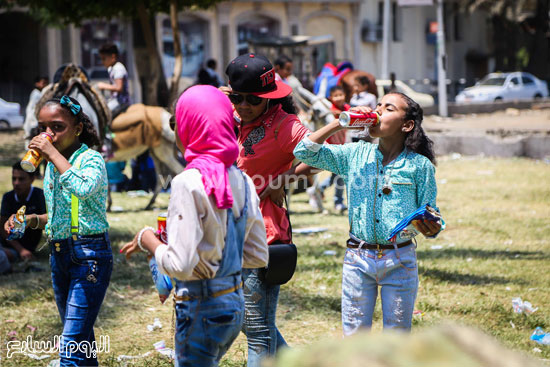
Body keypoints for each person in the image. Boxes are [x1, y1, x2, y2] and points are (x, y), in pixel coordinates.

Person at [121, 85, 268, 366]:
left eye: (178, 122)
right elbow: (258, 255)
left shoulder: (187, 182)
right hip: (234, 307)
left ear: (191, 126)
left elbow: (181, 265)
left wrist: (148, 240)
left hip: (201, 307)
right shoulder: (243, 180)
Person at [294, 92, 444, 335]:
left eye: (389, 108)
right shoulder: (354, 154)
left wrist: (432, 226)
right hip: (357, 259)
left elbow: (430, 211)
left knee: (396, 338)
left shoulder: (420, 166)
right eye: (378, 105)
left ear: (407, 125)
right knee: (354, 338)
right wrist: (340, 122)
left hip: (400, 260)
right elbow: (304, 152)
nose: (378, 111)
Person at [223, 53, 314, 366]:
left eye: (252, 99)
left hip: (264, 234)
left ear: (268, 97)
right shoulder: (231, 119)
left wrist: (284, 180)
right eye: (237, 97)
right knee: (248, 321)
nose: (244, 105)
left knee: (255, 326)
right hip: (228, 232)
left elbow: (317, 156)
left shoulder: (284, 125)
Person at [5, 96, 111, 365]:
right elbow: (57, 216)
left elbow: (84, 188)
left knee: (70, 347)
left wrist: (50, 152)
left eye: (57, 127)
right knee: (81, 341)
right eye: (43, 127)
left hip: (89, 257)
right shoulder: (53, 166)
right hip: (60, 255)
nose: (48, 134)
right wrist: (31, 220)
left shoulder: (92, 159)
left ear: (77, 128)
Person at [0, 162, 47, 269]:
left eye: (21, 179)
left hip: (18, 249)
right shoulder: (8, 197)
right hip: (8, 244)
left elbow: (48, 220)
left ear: (32, 179)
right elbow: (2, 227)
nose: (16, 183)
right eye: (14, 178)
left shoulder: (40, 196)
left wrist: (22, 250)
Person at [319, 86, 350, 214]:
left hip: (342, 147)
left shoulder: (347, 108)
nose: (338, 98)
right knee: (340, 175)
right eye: (335, 96)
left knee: (336, 176)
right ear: (331, 98)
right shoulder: (329, 110)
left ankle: (318, 189)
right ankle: (338, 202)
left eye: (340, 95)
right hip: (332, 148)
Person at [97, 43, 131, 116]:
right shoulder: (111, 69)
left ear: (113, 57)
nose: (102, 62)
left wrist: (103, 86)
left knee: (104, 114)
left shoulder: (118, 68)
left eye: (104, 59)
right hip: (114, 100)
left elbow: (119, 87)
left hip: (121, 102)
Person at [23, 76, 49, 143]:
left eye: (46, 83)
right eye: (43, 83)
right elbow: (33, 108)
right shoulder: (36, 93)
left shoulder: (41, 93)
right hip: (33, 118)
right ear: (37, 84)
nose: (45, 84)